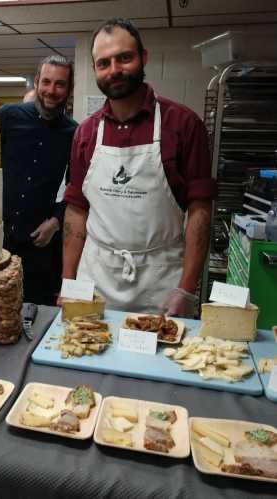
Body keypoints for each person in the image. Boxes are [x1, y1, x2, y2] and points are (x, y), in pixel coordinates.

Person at [62, 18, 217, 318]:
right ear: (95, 70)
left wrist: (186, 288)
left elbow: (200, 209)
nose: (115, 70)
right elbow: (76, 211)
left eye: (125, 58)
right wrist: (69, 283)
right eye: (103, 63)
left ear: (143, 58)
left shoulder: (183, 124)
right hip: (96, 279)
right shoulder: (85, 134)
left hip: (161, 283)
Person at [0, 55, 77, 305]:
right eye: (46, 82)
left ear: (69, 89)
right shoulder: (7, 117)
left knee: (37, 313)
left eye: (60, 84)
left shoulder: (75, 133)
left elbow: (77, 188)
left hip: (40, 243)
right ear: (36, 82)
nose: (51, 91)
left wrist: (55, 221)